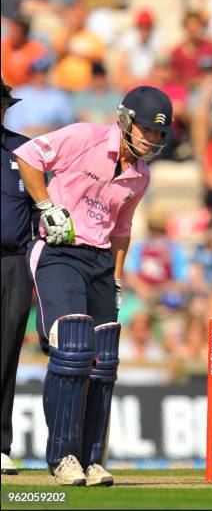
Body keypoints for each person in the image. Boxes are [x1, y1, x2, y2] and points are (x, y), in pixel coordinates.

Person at [13, 86, 173, 486]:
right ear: (124, 119)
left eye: (157, 135)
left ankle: (91, 457)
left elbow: (121, 230)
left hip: (101, 261)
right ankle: (63, 457)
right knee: (73, 347)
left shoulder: (140, 175)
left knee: (103, 358)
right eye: (145, 130)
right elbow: (28, 156)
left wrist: (117, 279)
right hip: (60, 252)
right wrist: (47, 206)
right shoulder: (84, 137)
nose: (150, 139)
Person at [1, 80, 34, 475]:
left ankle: (0, 445)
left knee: (6, 352)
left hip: (14, 261)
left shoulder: (24, 150)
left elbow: (41, 205)